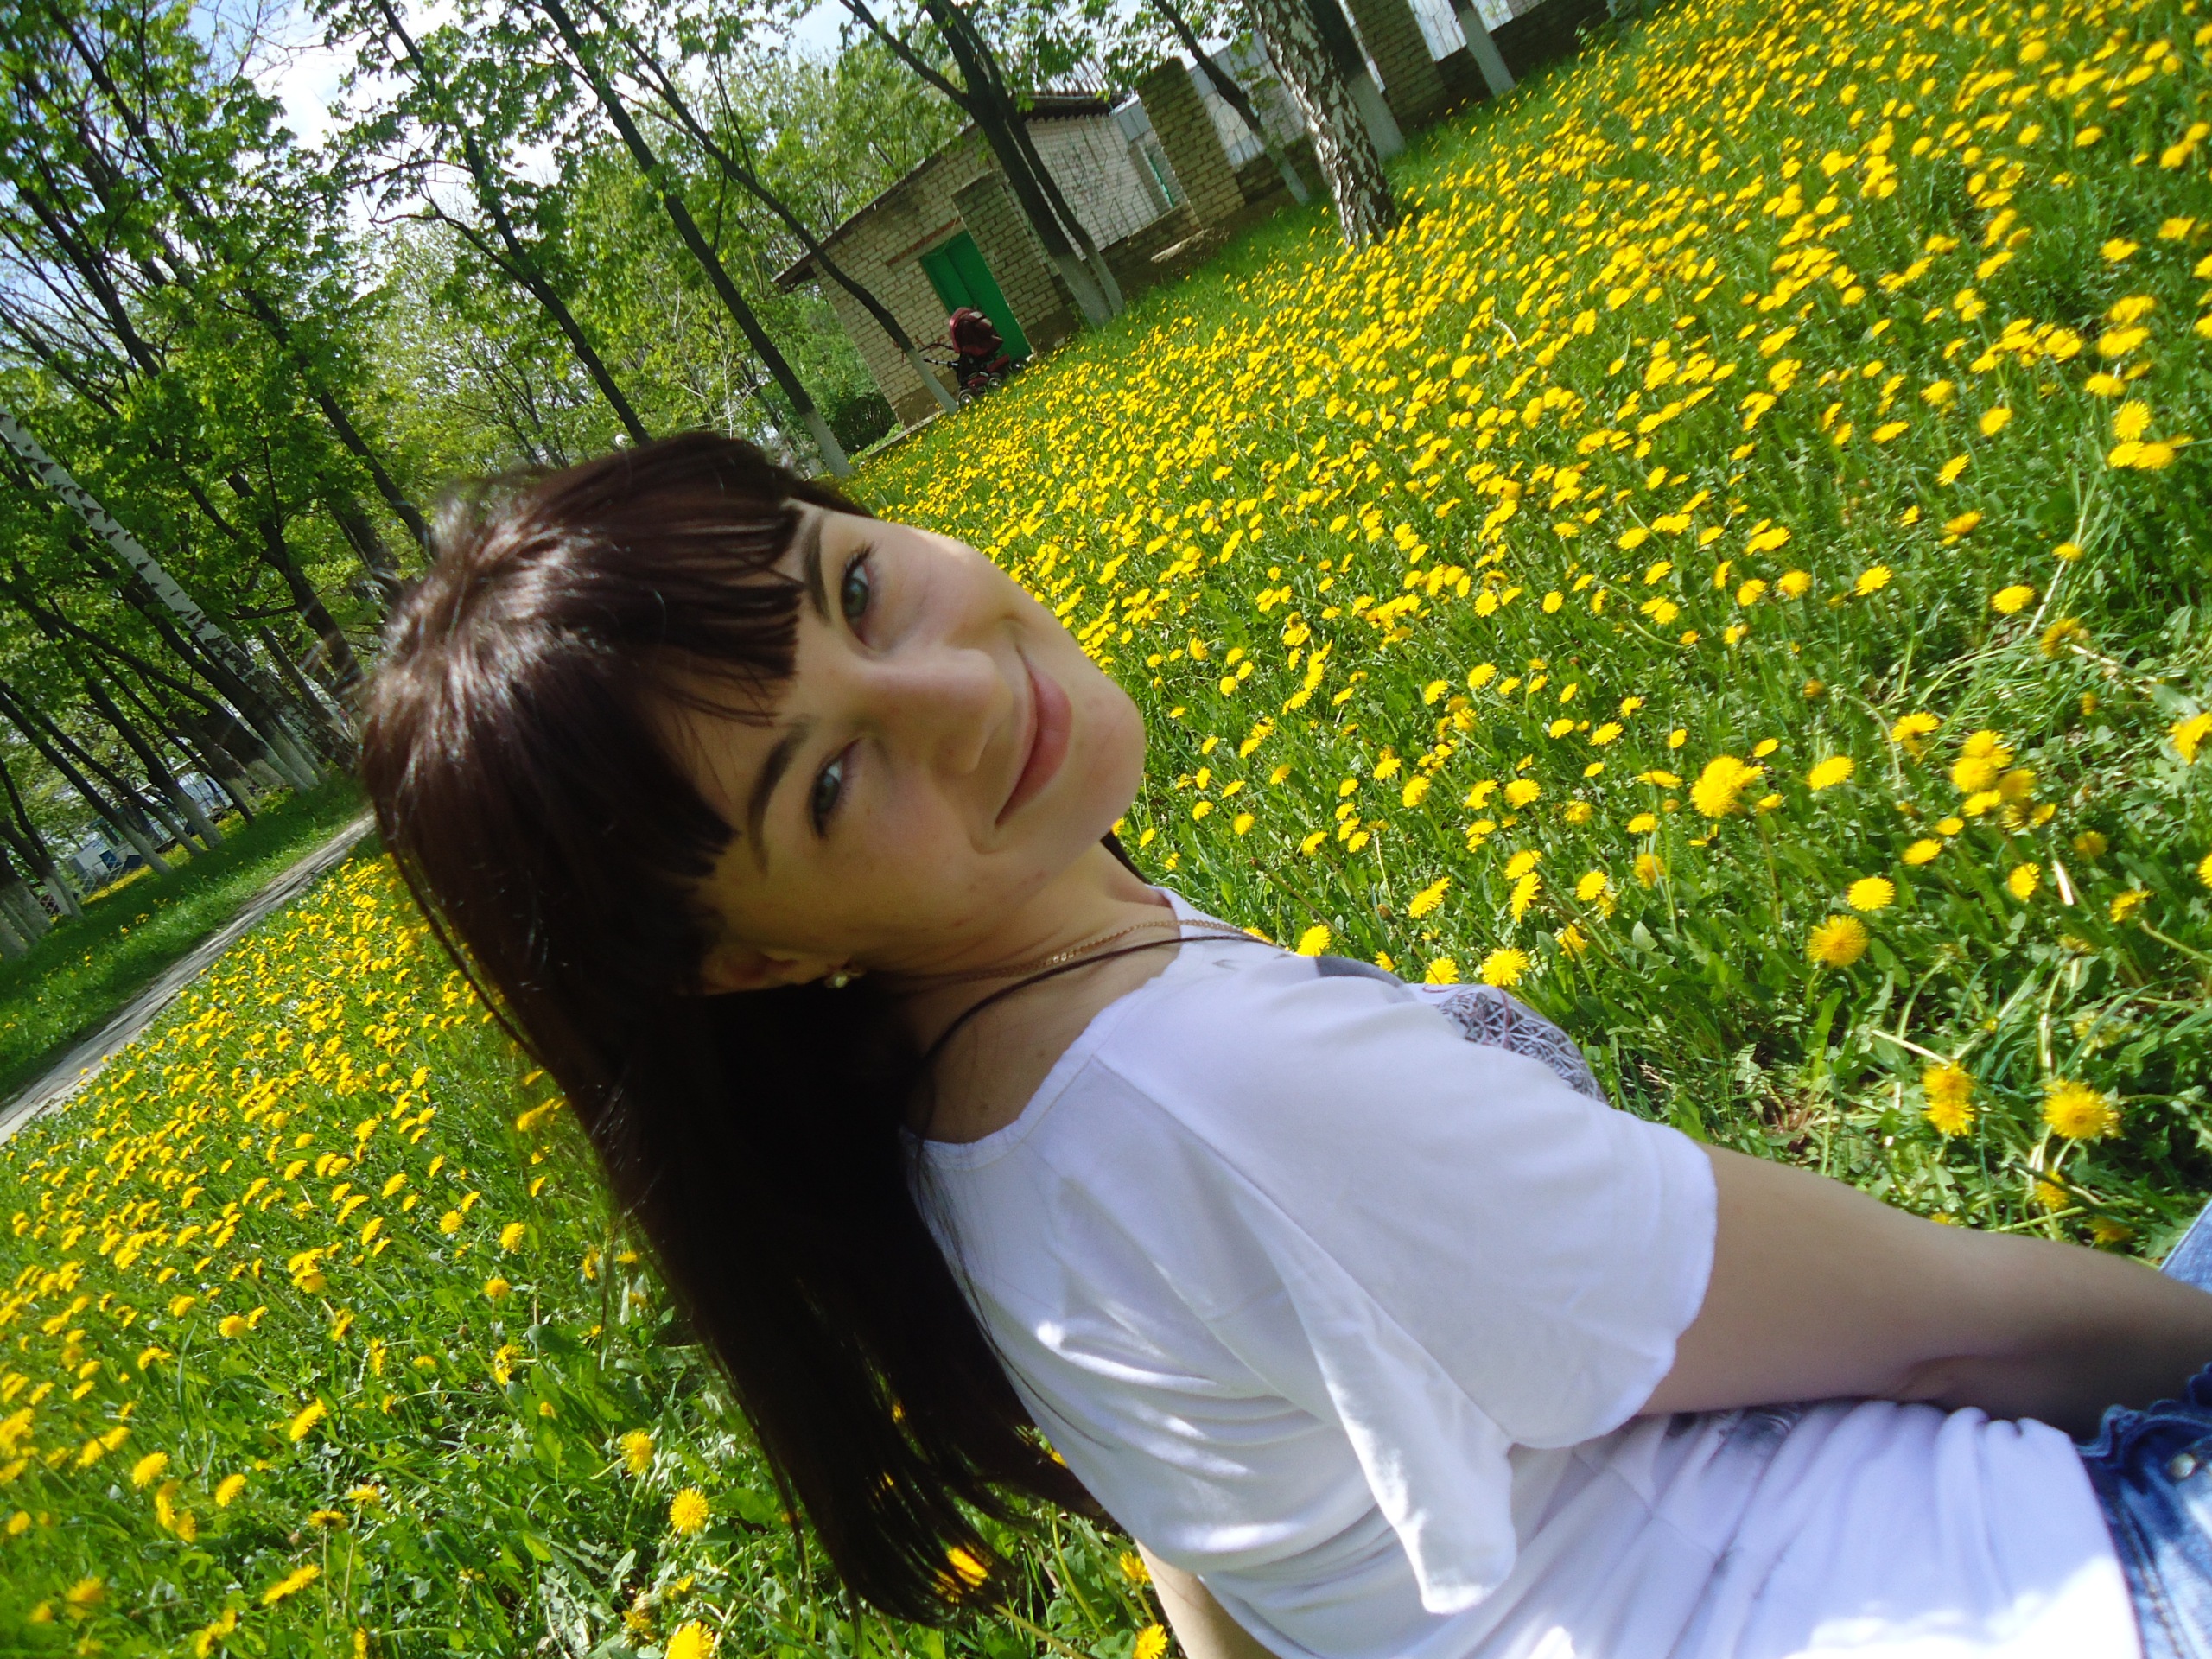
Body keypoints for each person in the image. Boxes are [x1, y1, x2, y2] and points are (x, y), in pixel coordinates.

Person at [361, 432, 2212, 1659]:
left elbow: (1199, 1558)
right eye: (831, 782)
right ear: (756, 956)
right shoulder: (1213, 1089)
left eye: (853, 590)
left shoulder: (945, 1118)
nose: (954, 687)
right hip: (2075, 1591)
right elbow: (1962, 1325)